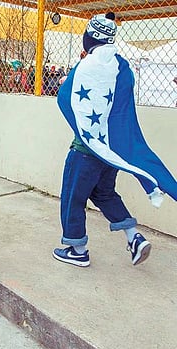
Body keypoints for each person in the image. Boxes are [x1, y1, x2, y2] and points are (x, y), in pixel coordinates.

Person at [53, 12, 177, 268]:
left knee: (72, 196)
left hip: (85, 150)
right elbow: (120, 112)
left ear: (89, 39)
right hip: (111, 151)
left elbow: (64, 97)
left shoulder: (86, 66)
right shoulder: (122, 67)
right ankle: (134, 237)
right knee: (104, 193)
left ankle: (77, 250)